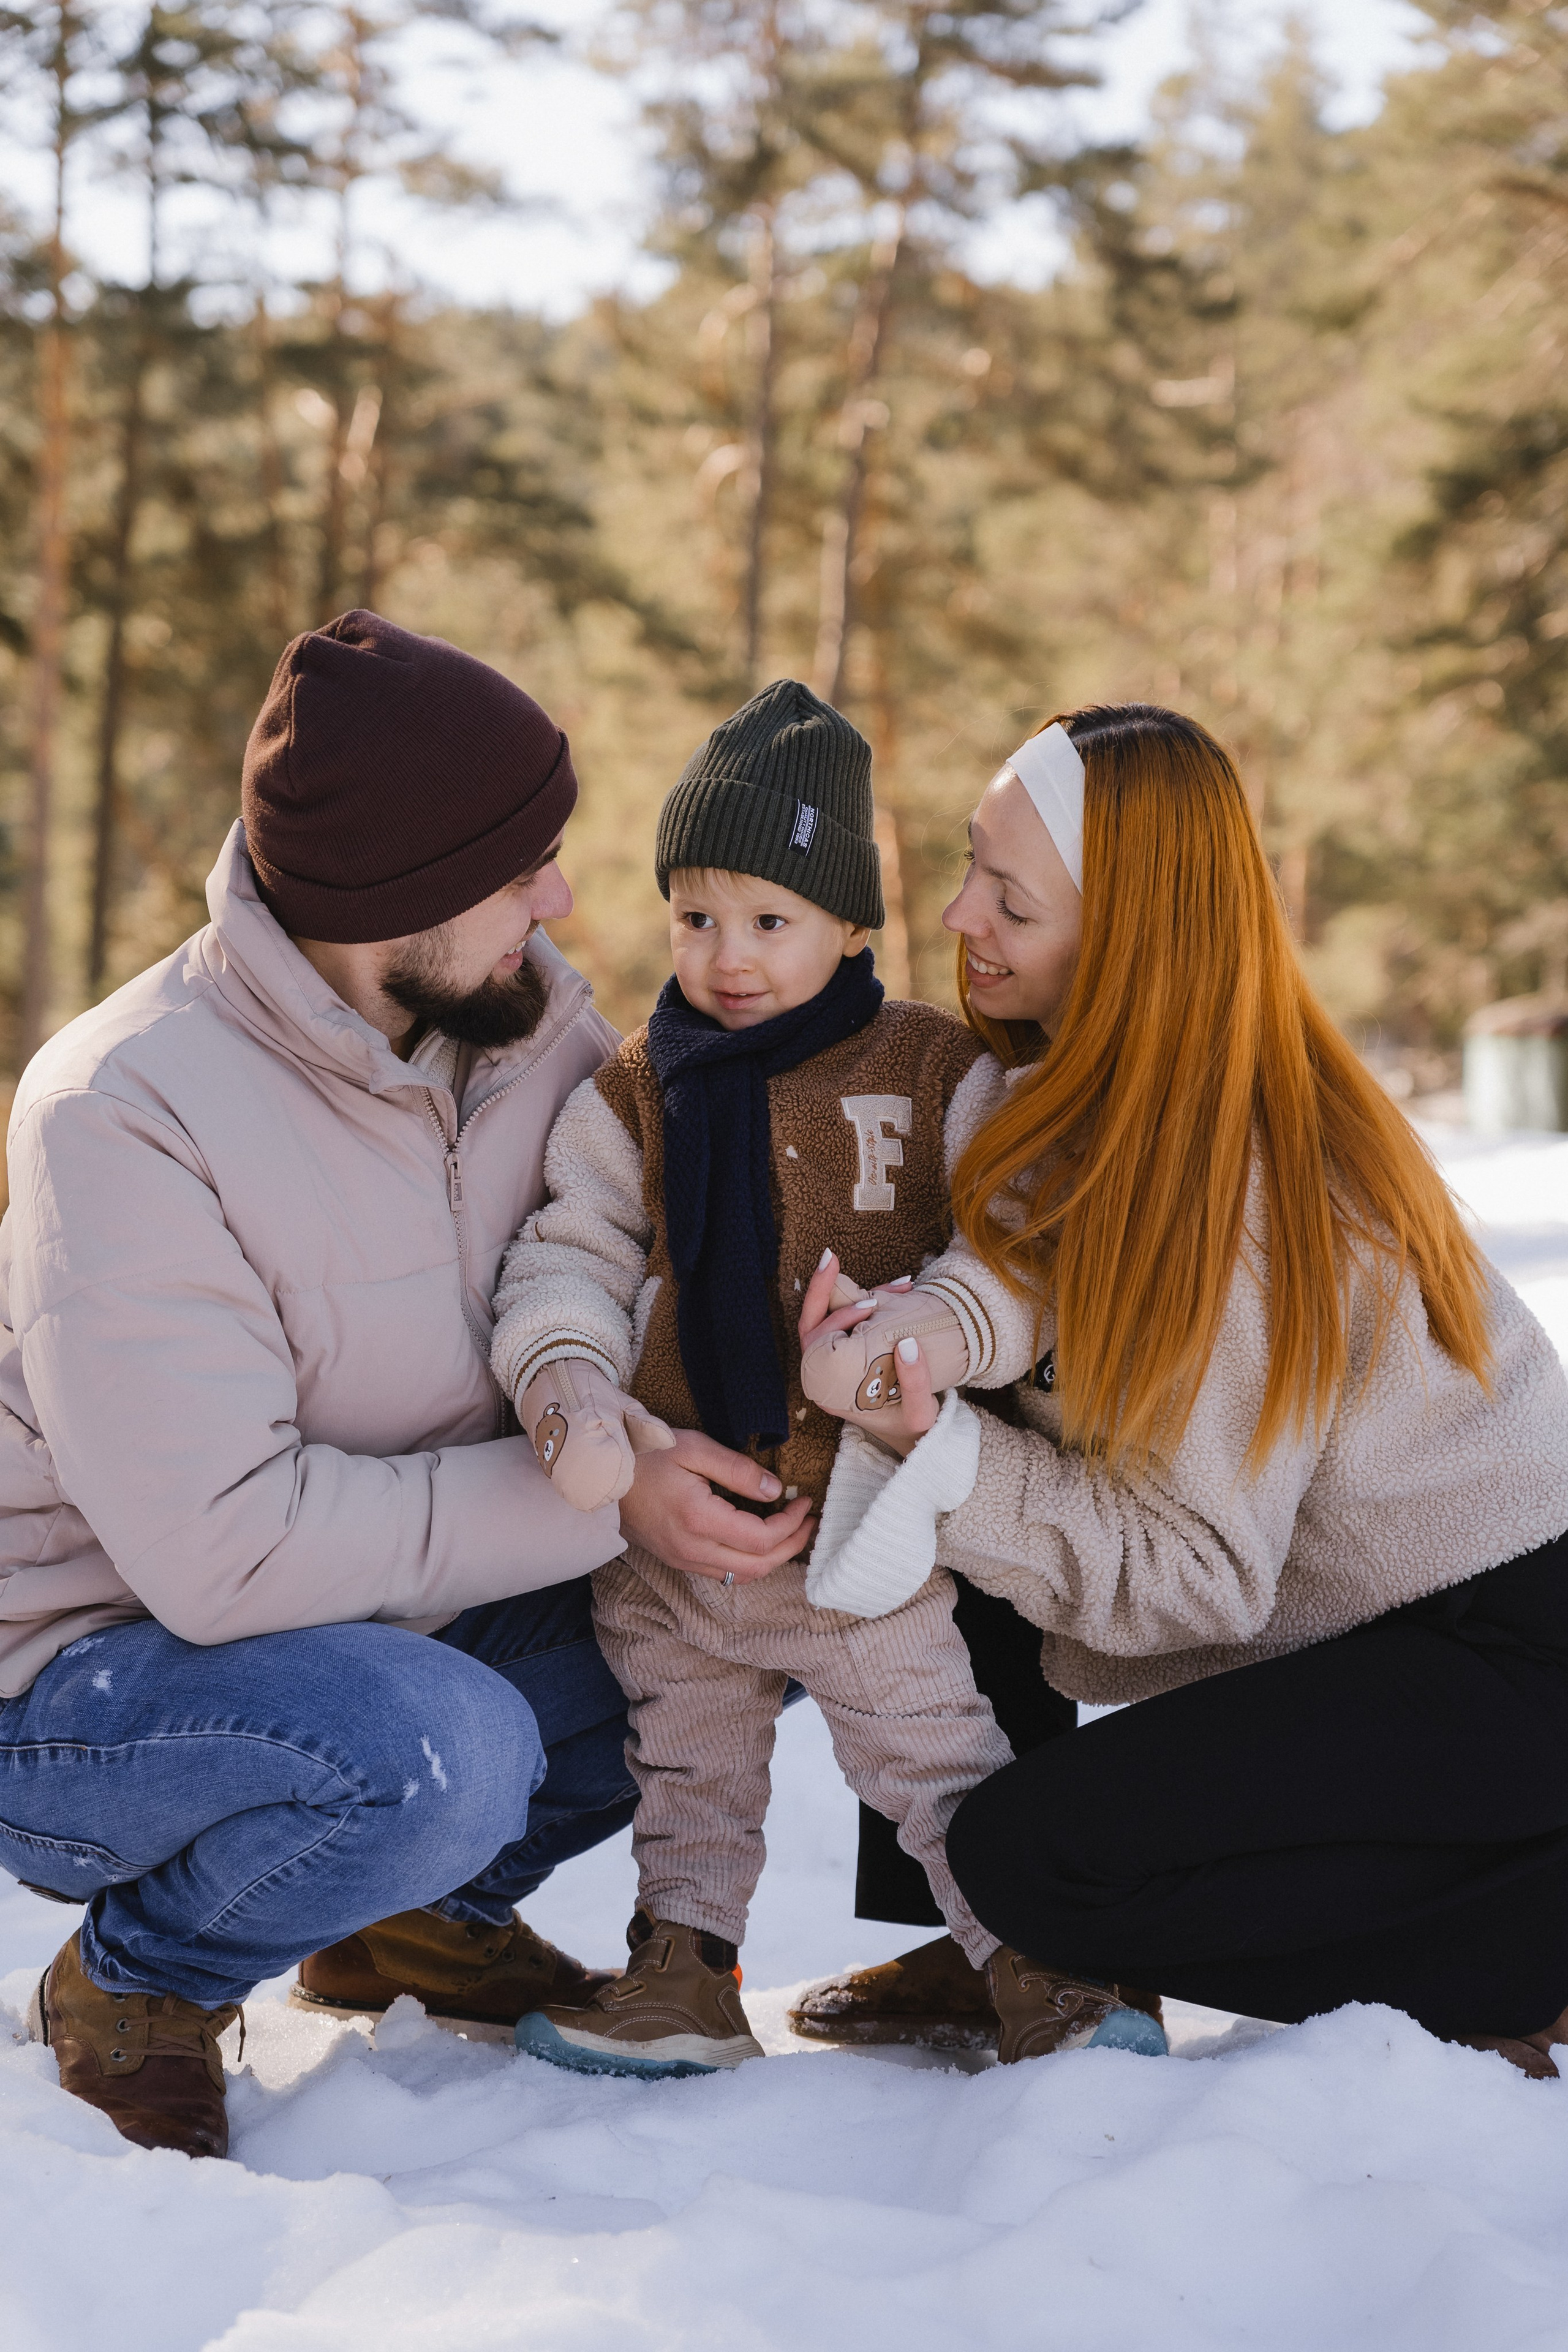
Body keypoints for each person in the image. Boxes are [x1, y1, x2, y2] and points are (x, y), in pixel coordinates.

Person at [0, 610, 806, 2160]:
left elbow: (610, 1303)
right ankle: (141, 1980)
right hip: (83, 1679)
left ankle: (418, 1924)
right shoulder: (124, 1106)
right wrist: (606, 1496)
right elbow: (224, 1557)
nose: (558, 900)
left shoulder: (527, 1034)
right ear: (393, 896)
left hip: (385, 1614)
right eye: (521, 872)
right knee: (444, 1749)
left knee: (746, 1586)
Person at [796, 700, 1568, 2076]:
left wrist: (945, 1457)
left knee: (1037, 1862)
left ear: (1126, 940)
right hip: (1380, 1627)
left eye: (1013, 902)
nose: (961, 915)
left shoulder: (1238, 1182)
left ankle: (1518, 1945)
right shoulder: (1067, 1095)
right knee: (964, 1518)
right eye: (973, 865)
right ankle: (975, 1948)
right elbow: (1010, 1314)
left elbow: (1200, 1574)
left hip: (1499, 1654)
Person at [486, 682, 1163, 2076]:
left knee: (932, 1758)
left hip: (856, 1529)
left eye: (769, 921)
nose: (726, 958)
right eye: (695, 917)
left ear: (850, 923)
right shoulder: (637, 1088)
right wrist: (571, 1382)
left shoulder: (930, 1068)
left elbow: (1013, 1241)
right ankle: (683, 1975)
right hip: (675, 1536)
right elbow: (569, 1250)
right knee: (686, 1771)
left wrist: (931, 1328)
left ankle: (1040, 1972)